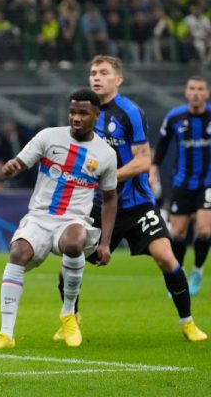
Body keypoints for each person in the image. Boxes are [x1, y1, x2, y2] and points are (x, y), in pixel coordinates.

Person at [55, 56, 207, 342]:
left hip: (136, 204)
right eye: (92, 73)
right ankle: (70, 318)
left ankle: (188, 323)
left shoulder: (130, 112)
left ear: (118, 80)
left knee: (166, 256)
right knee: (70, 258)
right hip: (98, 208)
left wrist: (106, 178)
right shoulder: (83, 113)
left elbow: (143, 162)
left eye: (103, 73)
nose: (96, 77)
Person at [0, 89, 118, 349]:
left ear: (96, 116)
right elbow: (20, 162)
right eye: (72, 112)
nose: (76, 118)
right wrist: (11, 167)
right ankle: (6, 334)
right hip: (40, 217)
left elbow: (110, 199)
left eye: (83, 113)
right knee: (18, 253)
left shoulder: (105, 154)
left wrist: (105, 243)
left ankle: (68, 313)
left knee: (74, 241)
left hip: (73, 219)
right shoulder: (48, 136)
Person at [151, 76, 211, 296]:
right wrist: (154, 168)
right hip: (182, 183)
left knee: (204, 230)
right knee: (177, 233)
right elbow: (163, 145)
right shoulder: (175, 117)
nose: (196, 93)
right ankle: (180, 273)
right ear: (186, 92)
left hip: (208, 182)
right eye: (192, 88)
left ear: (206, 93)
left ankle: (197, 270)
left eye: (200, 89)